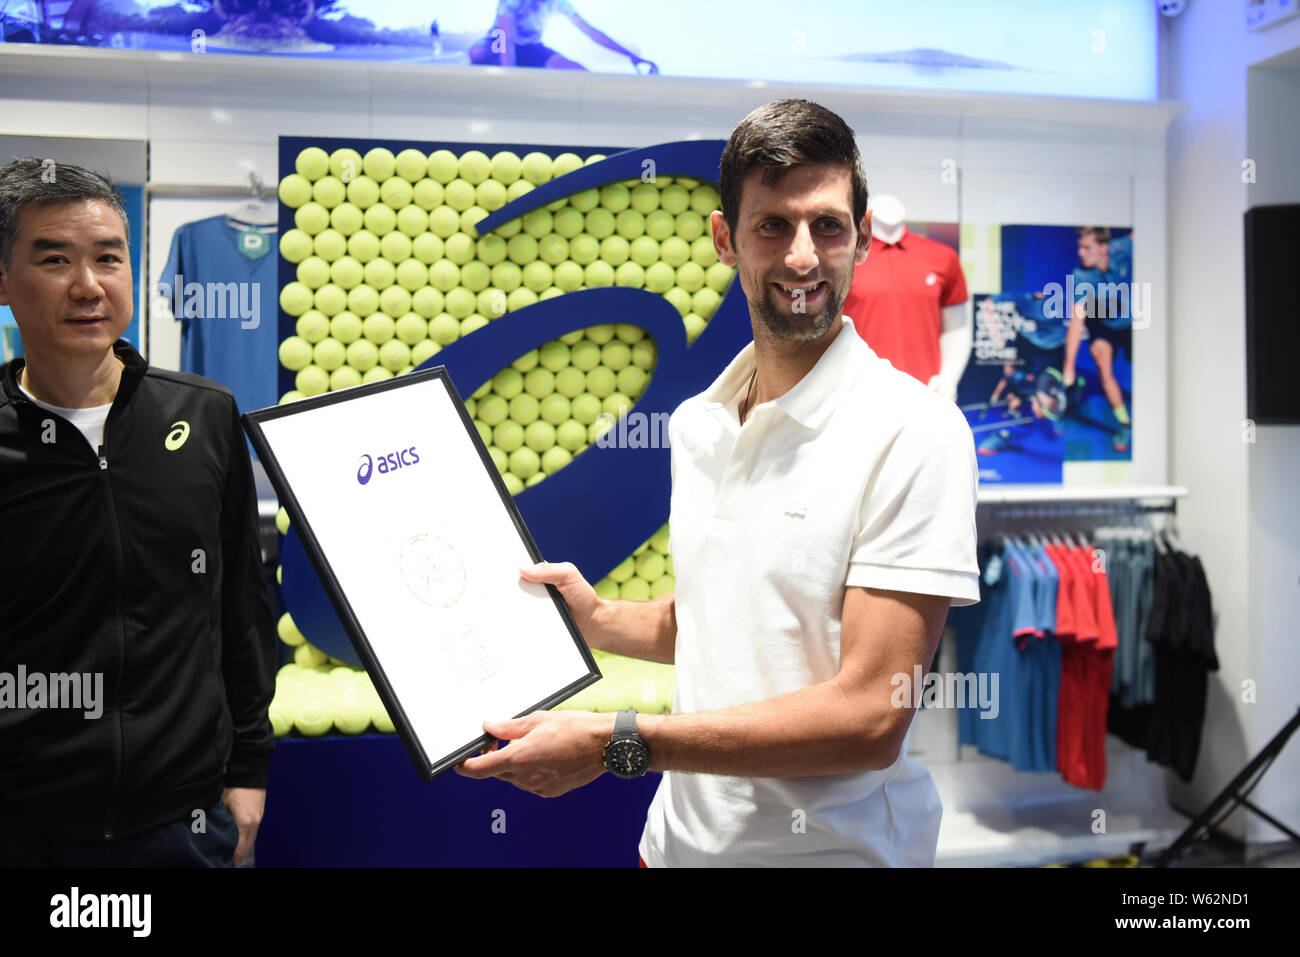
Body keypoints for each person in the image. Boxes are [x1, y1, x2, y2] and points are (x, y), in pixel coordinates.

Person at [456, 99, 981, 867]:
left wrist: (621, 743)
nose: (803, 256)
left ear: (862, 239)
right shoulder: (701, 422)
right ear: (724, 239)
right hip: (673, 847)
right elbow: (729, 619)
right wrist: (598, 618)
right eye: (773, 225)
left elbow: (872, 717)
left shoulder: (916, 432)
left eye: (828, 226)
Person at [0, 158, 276, 867]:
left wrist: (247, 768)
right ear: (3, 280)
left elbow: (240, 608)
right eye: (55, 258)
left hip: (180, 823)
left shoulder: (205, 415)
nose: (88, 285)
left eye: (108, 258)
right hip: (26, 823)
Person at [1061, 227, 1133, 452]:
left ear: (1104, 247)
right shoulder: (1081, 275)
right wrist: (1069, 366)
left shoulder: (1123, 248)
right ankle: (1124, 423)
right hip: (1102, 324)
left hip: (1133, 321)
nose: (1081, 253)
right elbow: (1076, 321)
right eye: (1079, 247)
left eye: (1087, 247)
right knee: (1103, 370)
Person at [467, 0, 658, 73]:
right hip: (498, 43)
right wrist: (509, 73)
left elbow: (592, 32)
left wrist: (631, 56)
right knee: (476, 53)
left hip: (532, 48)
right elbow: (505, 36)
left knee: (579, 71)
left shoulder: (558, 3)